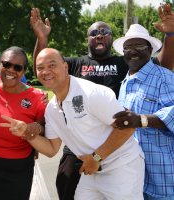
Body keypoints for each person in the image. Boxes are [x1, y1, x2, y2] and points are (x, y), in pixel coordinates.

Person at [30, 4, 174, 199]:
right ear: (87, 39)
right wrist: (42, 39)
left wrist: (170, 35)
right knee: (67, 186)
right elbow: (45, 67)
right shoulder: (74, 64)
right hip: (78, 149)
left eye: (104, 31)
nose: (99, 34)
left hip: (117, 144)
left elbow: (162, 66)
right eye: (94, 32)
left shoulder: (126, 62)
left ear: (111, 39)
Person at [3, 48, 145, 199]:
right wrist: (26, 133)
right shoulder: (51, 109)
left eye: (52, 65)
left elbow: (128, 127)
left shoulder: (92, 93)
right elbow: (51, 149)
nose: (45, 71)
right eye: (40, 68)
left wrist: (97, 157)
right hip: (91, 169)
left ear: (65, 67)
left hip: (122, 167)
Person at [0, 46, 46, 200]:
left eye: (18, 67)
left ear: (24, 71)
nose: (11, 70)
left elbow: (44, 129)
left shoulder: (37, 97)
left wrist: (32, 128)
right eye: (6, 64)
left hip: (19, 169)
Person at [112, 24, 174, 200]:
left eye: (139, 46)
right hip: (133, 177)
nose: (133, 51)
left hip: (161, 178)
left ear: (150, 49)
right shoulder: (125, 82)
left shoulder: (164, 77)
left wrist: (141, 120)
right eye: (128, 47)